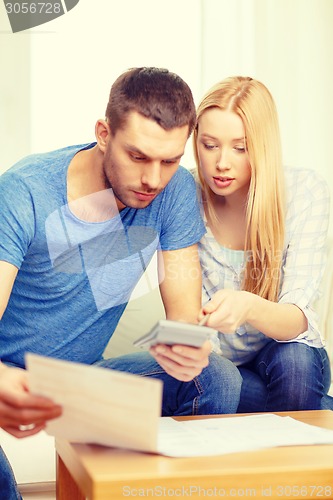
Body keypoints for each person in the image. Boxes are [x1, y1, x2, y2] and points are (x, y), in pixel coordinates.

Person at [0, 67, 242, 498]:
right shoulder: (24, 191)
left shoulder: (175, 191)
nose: (153, 179)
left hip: (80, 380)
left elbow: (183, 317)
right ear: (104, 133)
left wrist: (185, 343)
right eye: (138, 157)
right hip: (8, 376)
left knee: (218, 378)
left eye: (169, 160)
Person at [193, 75, 332, 412]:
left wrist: (249, 306)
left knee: (296, 367)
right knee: (224, 384)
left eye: (240, 148)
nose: (222, 162)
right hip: (222, 363)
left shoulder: (303, 192)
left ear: (263, 145)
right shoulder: (185, 195)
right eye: (209, 145)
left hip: (285, 350)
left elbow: (297, 320)